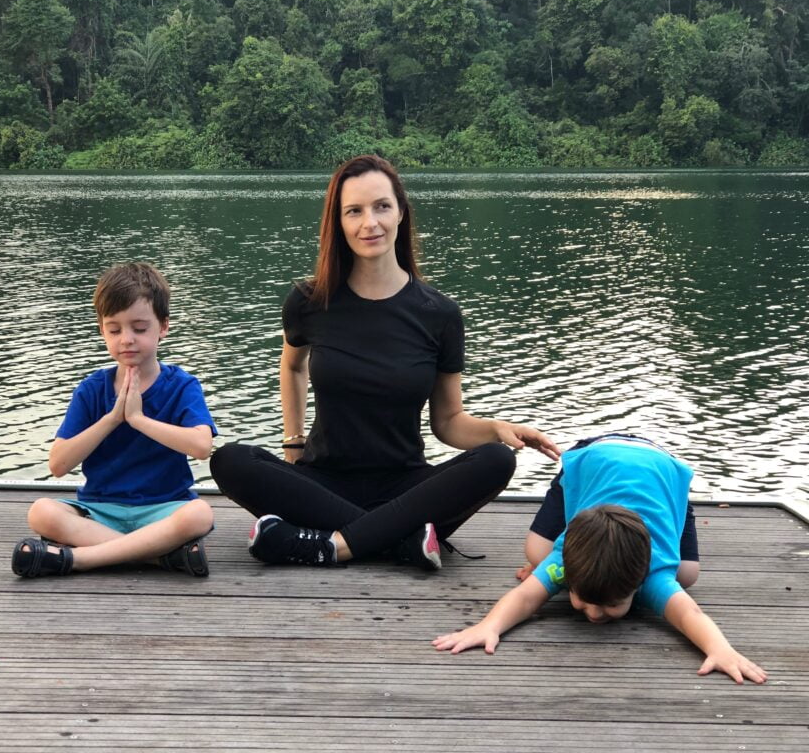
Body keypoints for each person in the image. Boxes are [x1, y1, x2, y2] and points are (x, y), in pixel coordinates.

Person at [209, 154, 560, 571]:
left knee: (496, 459)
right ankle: (403, 541)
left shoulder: (439, 315)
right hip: (321, 479)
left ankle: (328, 544)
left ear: (401, 213)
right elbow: (292, 366)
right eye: (353, 211)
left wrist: (496, 429)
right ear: (337, 222)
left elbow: (447, 422)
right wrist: (293, 444)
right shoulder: (309, 302)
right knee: (229, 459)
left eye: (381, 207)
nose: (369, 223)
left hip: (405, 485)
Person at [433, 433, 767, 684]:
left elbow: (688, 613)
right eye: (582, 599)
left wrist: (720, 649)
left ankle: (677, 509)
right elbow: (524, 598)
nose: (594, 614)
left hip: (662, 473)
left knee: (686, 575)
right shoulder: (564, 559)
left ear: (639, 582)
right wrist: (489, 625)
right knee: (537, 553)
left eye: (611, 604)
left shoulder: (654, 572)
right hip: (589, 463)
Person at [11, 263, 217, 578]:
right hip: (101, 510)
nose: (127, 339)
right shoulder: (92, 389)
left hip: (163, 508)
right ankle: (160, 557)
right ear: (101, 329)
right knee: (41, 512)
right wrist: (112, 419)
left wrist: (137, 419)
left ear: (163, 327)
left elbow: (201, 446)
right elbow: (58, 465)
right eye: (115, 329)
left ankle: (78, 559)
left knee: (200, 514)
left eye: (139, 328)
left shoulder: (182, 385)